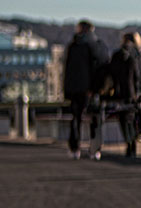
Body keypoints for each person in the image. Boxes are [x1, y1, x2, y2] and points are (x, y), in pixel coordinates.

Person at [62, 20, 107, 159]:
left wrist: (67, 90)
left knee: (76, 119)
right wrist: (96, 88)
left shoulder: (73, 46)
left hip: (76, 89)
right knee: (95, 119)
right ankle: (94, 149)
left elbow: (68, 70)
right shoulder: (96, 45)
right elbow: (100, 68)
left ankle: (75, 148)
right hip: (90, 90)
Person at [104, 31, 141, 157]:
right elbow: (138, 76)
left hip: (119, 93)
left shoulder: (117, 55)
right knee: (133, 118)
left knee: (124, 119)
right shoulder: (137, 56)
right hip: (133, 93)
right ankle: (134, 140)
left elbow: (110, 74)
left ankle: (129, 141)